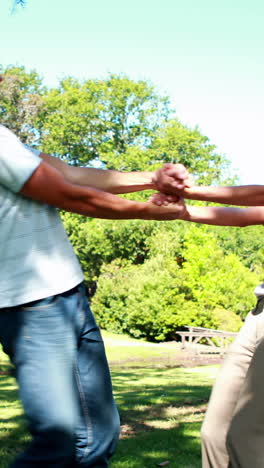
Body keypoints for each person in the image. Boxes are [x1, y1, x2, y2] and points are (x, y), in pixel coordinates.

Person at [0, 118, 190, 468]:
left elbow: (68, 174)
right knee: (61, 443)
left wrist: (151, 178)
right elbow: (69, 195)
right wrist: (147, 212)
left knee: (98, 434)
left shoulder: (5, 138)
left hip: (65, 294)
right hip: (30, 307)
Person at [152, 164, 264, 468]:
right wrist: (184, 210)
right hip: (259, 315)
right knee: (214, 434)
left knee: (247, 438)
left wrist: (186, 192)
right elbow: (251, 211)